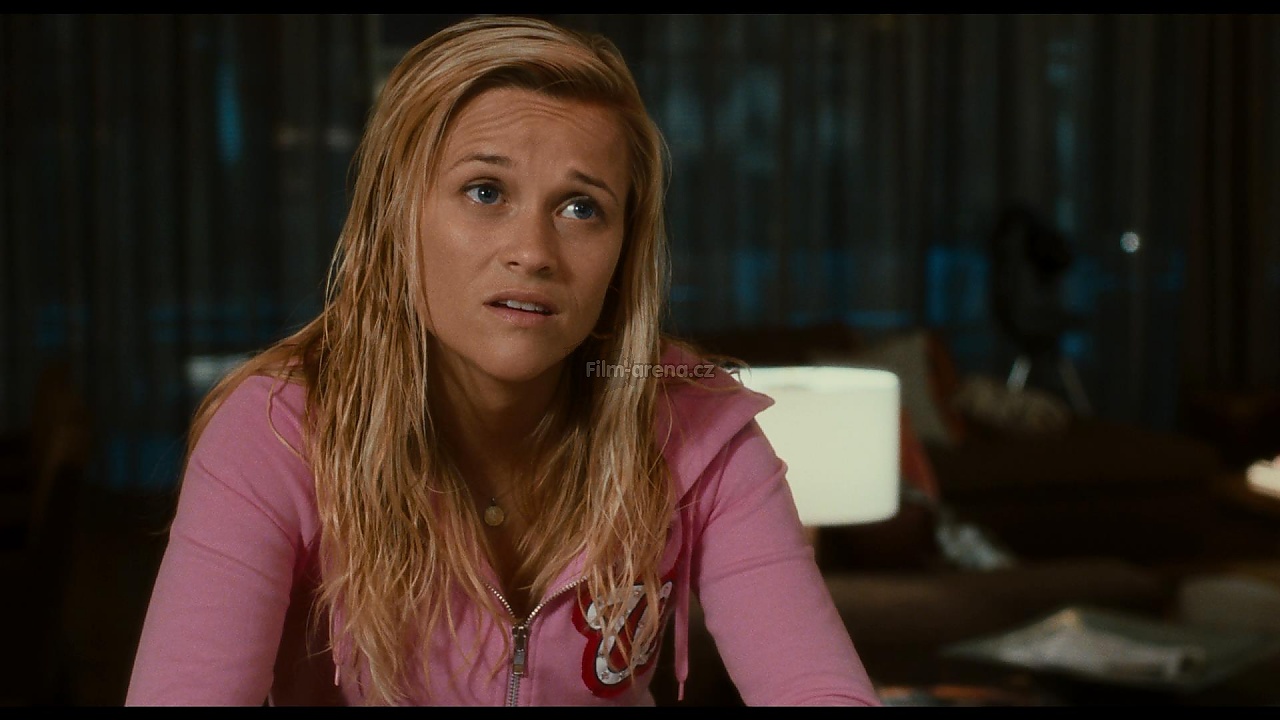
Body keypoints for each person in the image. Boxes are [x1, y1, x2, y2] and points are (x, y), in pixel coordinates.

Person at [125, 15, 879, 707]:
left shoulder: (697, 426)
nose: (533, 252)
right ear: (397, 215)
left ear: (624, 249)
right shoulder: (276, 431)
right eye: (485, 191)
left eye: (581, 207)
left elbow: (820, 692)